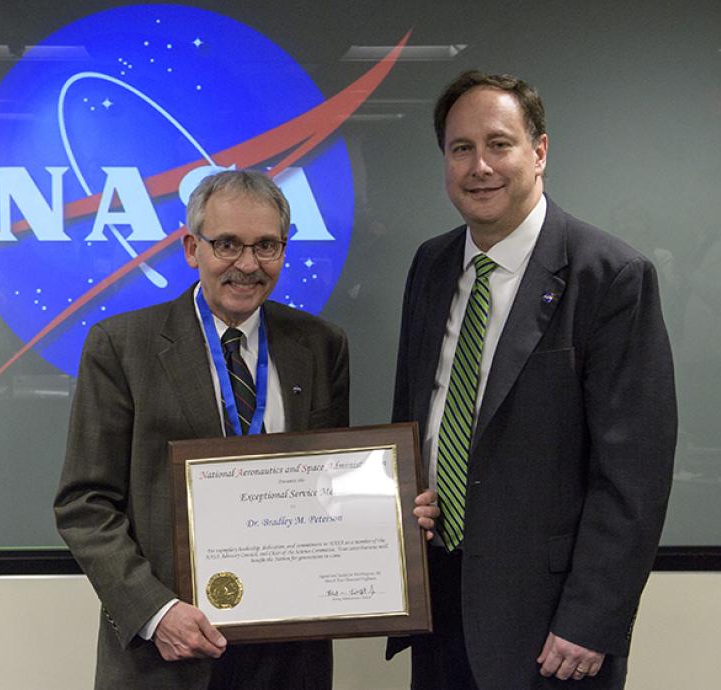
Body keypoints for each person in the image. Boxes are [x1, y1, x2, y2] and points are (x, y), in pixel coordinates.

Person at [388, 71, 676, 689]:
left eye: (500, 144)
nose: (479, 166)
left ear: (539, 151)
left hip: (549, 630)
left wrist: (592, 621)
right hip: (438, 603)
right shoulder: (432, 264)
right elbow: (416, 417)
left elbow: (635, 476)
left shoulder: (611, 277)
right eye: (460, 148)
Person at [55, 170, 349, 690]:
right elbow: (85, 504)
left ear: (285, 248)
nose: (247, 265)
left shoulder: (321, 346)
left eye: (266, 246)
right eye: (227, 244)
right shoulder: (122, 347)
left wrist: (387, 508)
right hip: (167, 656)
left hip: (289, 658)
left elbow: (331, 486)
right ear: (193, 248)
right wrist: (156, 612)